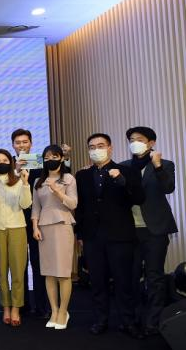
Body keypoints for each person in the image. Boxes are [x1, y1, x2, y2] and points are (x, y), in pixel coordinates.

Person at [75, 133, 145, 338]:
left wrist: (121, 180)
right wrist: (80, 234)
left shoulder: (127, 171)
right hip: (92, 236)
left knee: (124, 281)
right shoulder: (82, 175)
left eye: (100, 145)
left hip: (120, 235)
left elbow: (139, 198)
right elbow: (81, 207)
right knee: (97, 281)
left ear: (110, 148)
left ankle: (128, 321)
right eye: (92, 147)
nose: (96, 150)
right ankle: (101, 320)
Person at [121, 126, 177, 336]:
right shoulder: (124, 166)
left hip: (155, 229)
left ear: (151, 143)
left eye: (139, 139)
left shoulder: (165, 164)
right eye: (131, 139)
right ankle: (134, 319)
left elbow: (168, 188)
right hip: (130, 230)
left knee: (154, 276)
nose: (134, 143)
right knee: (131, 275)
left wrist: (158, 166)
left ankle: (153, 321)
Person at [31, 145, 78, 330]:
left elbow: (73, 203)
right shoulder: (38, 181)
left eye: (54, 156)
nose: (51, 159)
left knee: (63, 273)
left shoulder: (68, 178)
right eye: (47, 157)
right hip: (44, 228)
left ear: (61, 158)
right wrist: (35, 227)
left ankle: (63, 311)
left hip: (63, 225)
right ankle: (54, 310)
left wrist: (57, 191)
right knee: (49, 272)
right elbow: (36, 207)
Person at [0, 148, 31, 327]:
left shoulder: (18, 180)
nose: (1, 163)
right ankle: (5, 306)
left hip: (17, 228)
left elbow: (25, 204)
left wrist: (25, 184)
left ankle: (16, 308)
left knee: (18, 271)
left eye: (4, 160)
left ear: (11, 163)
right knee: (1, 272)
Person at [11, 129, 48, 317]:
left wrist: (66, 160)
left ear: (31, 143)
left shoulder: (38, 161)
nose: (22, 145)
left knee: (38, 262)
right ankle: (21, 304)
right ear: (13, 145)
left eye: (25, 142)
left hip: (36, 219)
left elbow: (55, 175)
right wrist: (16, 170)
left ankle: (42, 306)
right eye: (18, 142)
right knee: (19, 264)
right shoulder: (7, 162)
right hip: (14, 218)